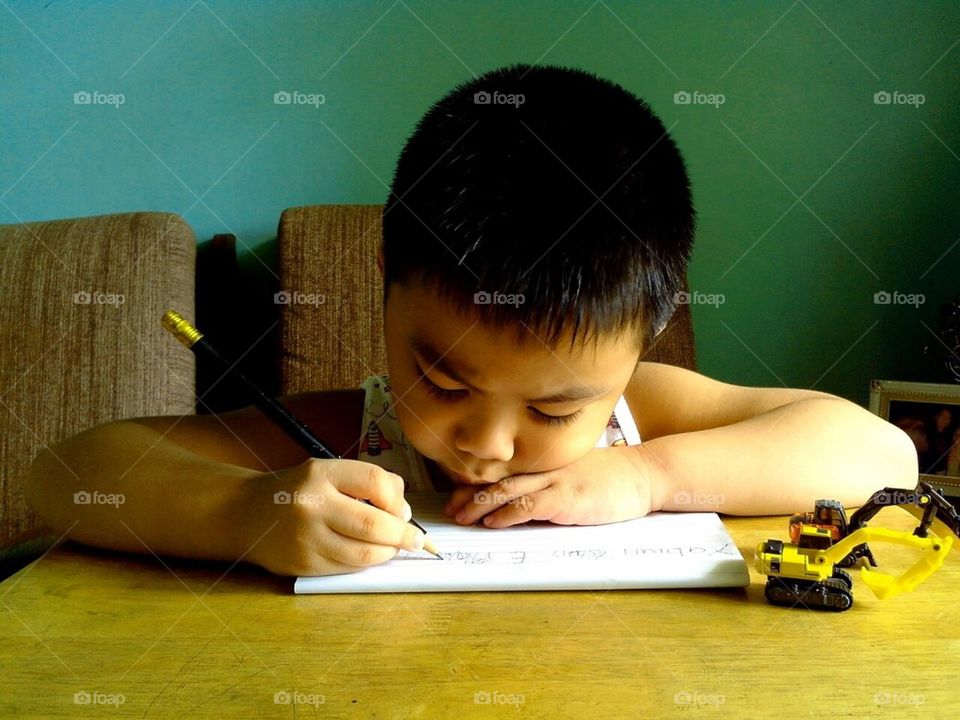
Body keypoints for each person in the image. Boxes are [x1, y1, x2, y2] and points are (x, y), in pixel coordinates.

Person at [25, 64, 917, 577]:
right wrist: (244, 513)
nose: (486, 443)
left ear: (643, 337)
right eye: (445, 381)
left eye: (555, 411)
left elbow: (887, 456)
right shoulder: (359, 438)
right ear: (383, 282)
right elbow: (68, 472)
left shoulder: (641, 416)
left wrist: (645, 477)